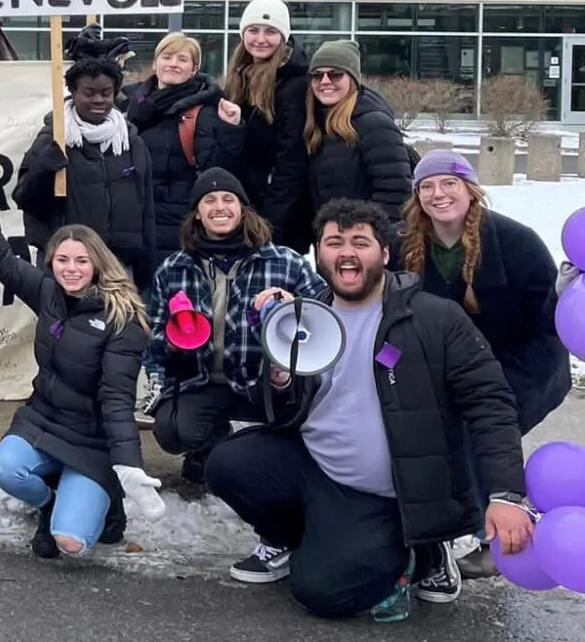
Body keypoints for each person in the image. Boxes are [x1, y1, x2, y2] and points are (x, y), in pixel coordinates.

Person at [204, 199, 533, 622]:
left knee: (322, 592)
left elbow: (492, 403)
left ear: (384, 253)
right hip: (316, 468)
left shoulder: (435, 318)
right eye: (334, 242)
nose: (346, 252)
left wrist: (506, 495)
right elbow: (281, 412)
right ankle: (295, 538)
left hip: (388, 494)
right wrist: (280, 378)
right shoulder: (306, 315)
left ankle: (424, 552)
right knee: (228, 463)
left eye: (360, 242)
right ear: (319, 254)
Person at [0, 148, 163, 560]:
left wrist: (128, 465)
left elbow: (117, 400)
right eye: (62, 260)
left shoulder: (123, 317)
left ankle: (106, 497)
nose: (70, 269)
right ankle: (50, 499)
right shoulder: (49, 292)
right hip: (44, 421)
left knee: (70, 545)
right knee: (5, 469)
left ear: (98, 264)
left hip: (93, 440)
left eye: (81, 261)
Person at [145, 168, 326, 493]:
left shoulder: (284, 262)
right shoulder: (174, 268)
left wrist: (292, 306)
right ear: (197, 214)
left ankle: (273, 459)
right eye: (209, 200)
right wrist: (173, 339)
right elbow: (152, 340)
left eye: (228, 199)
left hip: (266, 381)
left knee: (290, 426)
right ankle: (209, 447)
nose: (219, 207)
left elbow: (327, 317)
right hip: (202, 381)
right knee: (172, 430)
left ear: (243, 209)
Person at [401, 151, 570, 438]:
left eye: (449, 183)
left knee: (486, 452)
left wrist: (559, 295)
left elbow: (545, 324)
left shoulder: (517, 242)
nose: (437, 194)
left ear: (471, 189)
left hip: (515, 367)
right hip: (440, 372)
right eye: (427, 186)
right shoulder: (400, 245)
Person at [123, 34, 244, 291]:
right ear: (155, 63)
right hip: (134, 222)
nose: (173, 64)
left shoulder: (204, 111)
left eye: (182, 59)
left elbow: (216, 169)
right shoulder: (129, 105)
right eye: (167, 57)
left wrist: (230, 129)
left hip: (178, 224)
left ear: (194, 69)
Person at [266, 41, 413, 252]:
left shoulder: (374, 124)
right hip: (330, 246)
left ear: (352, 78)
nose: (325, 81)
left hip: (362, 250)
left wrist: (366, 242)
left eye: (335, 74)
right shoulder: (316, 124)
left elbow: (395, 194)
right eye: (317, 75)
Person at [16, 56, 154, 279]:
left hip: (118, 266)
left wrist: (146, 266)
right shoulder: (54, 139)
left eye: (106, 93)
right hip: (67, 268)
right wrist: (43, 170)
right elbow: (25, 199)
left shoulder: (132, 143)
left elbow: (146, 209)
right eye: (89, 93)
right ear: (73, 91)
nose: (98, 100)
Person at [223, 0, 308, 219]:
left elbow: (291, 160)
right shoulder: (238, 77)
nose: (260, 39)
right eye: (253, 30)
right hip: (242, 200)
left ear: (283, 36)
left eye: (270, 31)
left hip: (274, 210)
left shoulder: (295, 84)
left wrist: (271, 222)